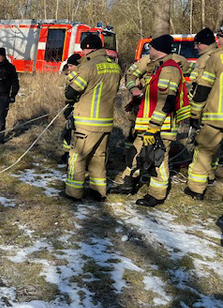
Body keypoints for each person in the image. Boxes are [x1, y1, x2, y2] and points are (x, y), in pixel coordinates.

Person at [116, 35, 189, 207]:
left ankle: (156, 195)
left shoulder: (169, 69)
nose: (149, 51)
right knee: (134, 153)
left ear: (158, 49)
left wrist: (154, 128)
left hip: (159, 128)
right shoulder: (159, 66)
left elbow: (166, 101)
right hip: (148, 126)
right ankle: (128, 184)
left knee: (158, 160)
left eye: (152, 48)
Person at [62, 34, 121, 202]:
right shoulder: (114, 66)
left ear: (89, 48)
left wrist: (71, 77)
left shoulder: (89, 66)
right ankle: (98, 192)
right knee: (98, 158)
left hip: (87, 121)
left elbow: (71, 93)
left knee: (77, 157)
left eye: (84, 49)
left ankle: (73, 193)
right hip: (106, 121)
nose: (83, 53)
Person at [185, 46, 223, 200]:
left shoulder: (217, 57)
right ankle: (211, 176)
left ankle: (196, 189)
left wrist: (195, 112)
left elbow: (203, 88)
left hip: (216, 115)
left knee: (204, 151)